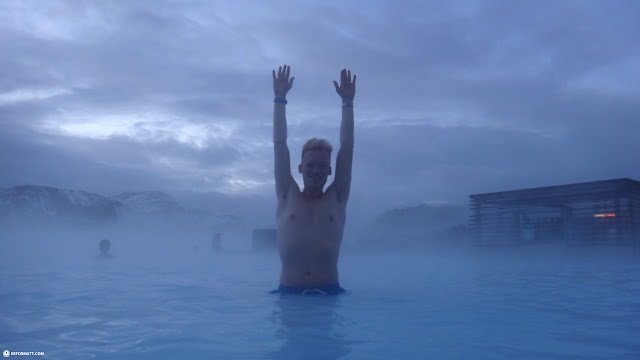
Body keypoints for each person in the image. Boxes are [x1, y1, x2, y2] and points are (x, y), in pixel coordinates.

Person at [270, 65, 355, 295]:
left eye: (322, 166)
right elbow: (280, 145)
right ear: (300, 168)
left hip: (329, 295)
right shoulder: (287, 193)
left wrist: (347, 104)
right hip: (288, 295)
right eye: (310, 165)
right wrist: (280, 99)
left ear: (330, 171)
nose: (316, 170)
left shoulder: (337, 197)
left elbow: (346, 149)